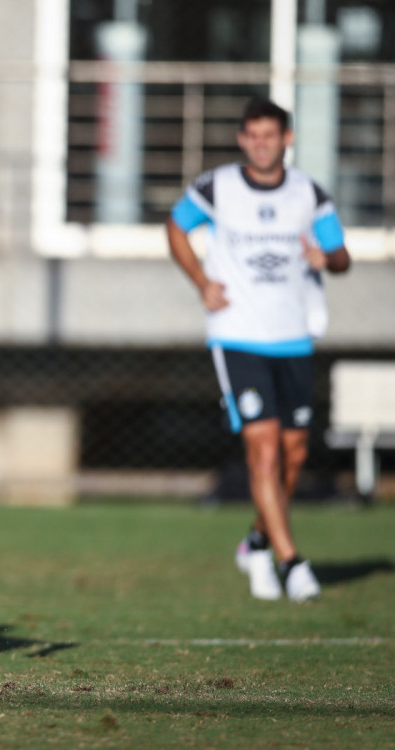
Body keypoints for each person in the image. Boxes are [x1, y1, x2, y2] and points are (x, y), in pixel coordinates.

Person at [167, 97, 350, 603]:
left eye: (270, 135)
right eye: (252, 135)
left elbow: (341, 256)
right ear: (242, 138)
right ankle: (291, 562)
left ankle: (256, 540)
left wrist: (326, 256)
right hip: (238, 335)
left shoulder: (308, 194)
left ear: (286, 139)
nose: (261, 143)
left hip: (294, 335)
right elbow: (176, 226)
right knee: (263, 448)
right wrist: (201, 281)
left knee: (293, 453)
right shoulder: (216, 186)